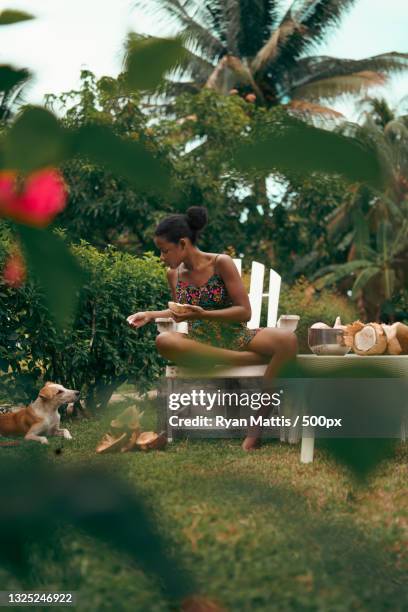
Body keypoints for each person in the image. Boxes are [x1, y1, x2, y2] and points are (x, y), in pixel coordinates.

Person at [127, 206, 297, 450]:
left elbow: (244, 311)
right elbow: (180, 311)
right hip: (200, 343)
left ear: (183, 243)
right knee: (164, 341)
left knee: (287, 341)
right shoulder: (173, 274)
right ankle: (244, 360)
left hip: (235, 335)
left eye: (165, 251)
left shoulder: (221, 263)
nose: (162, 257)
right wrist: (150, 315)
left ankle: (256, 429)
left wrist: (205, 314)